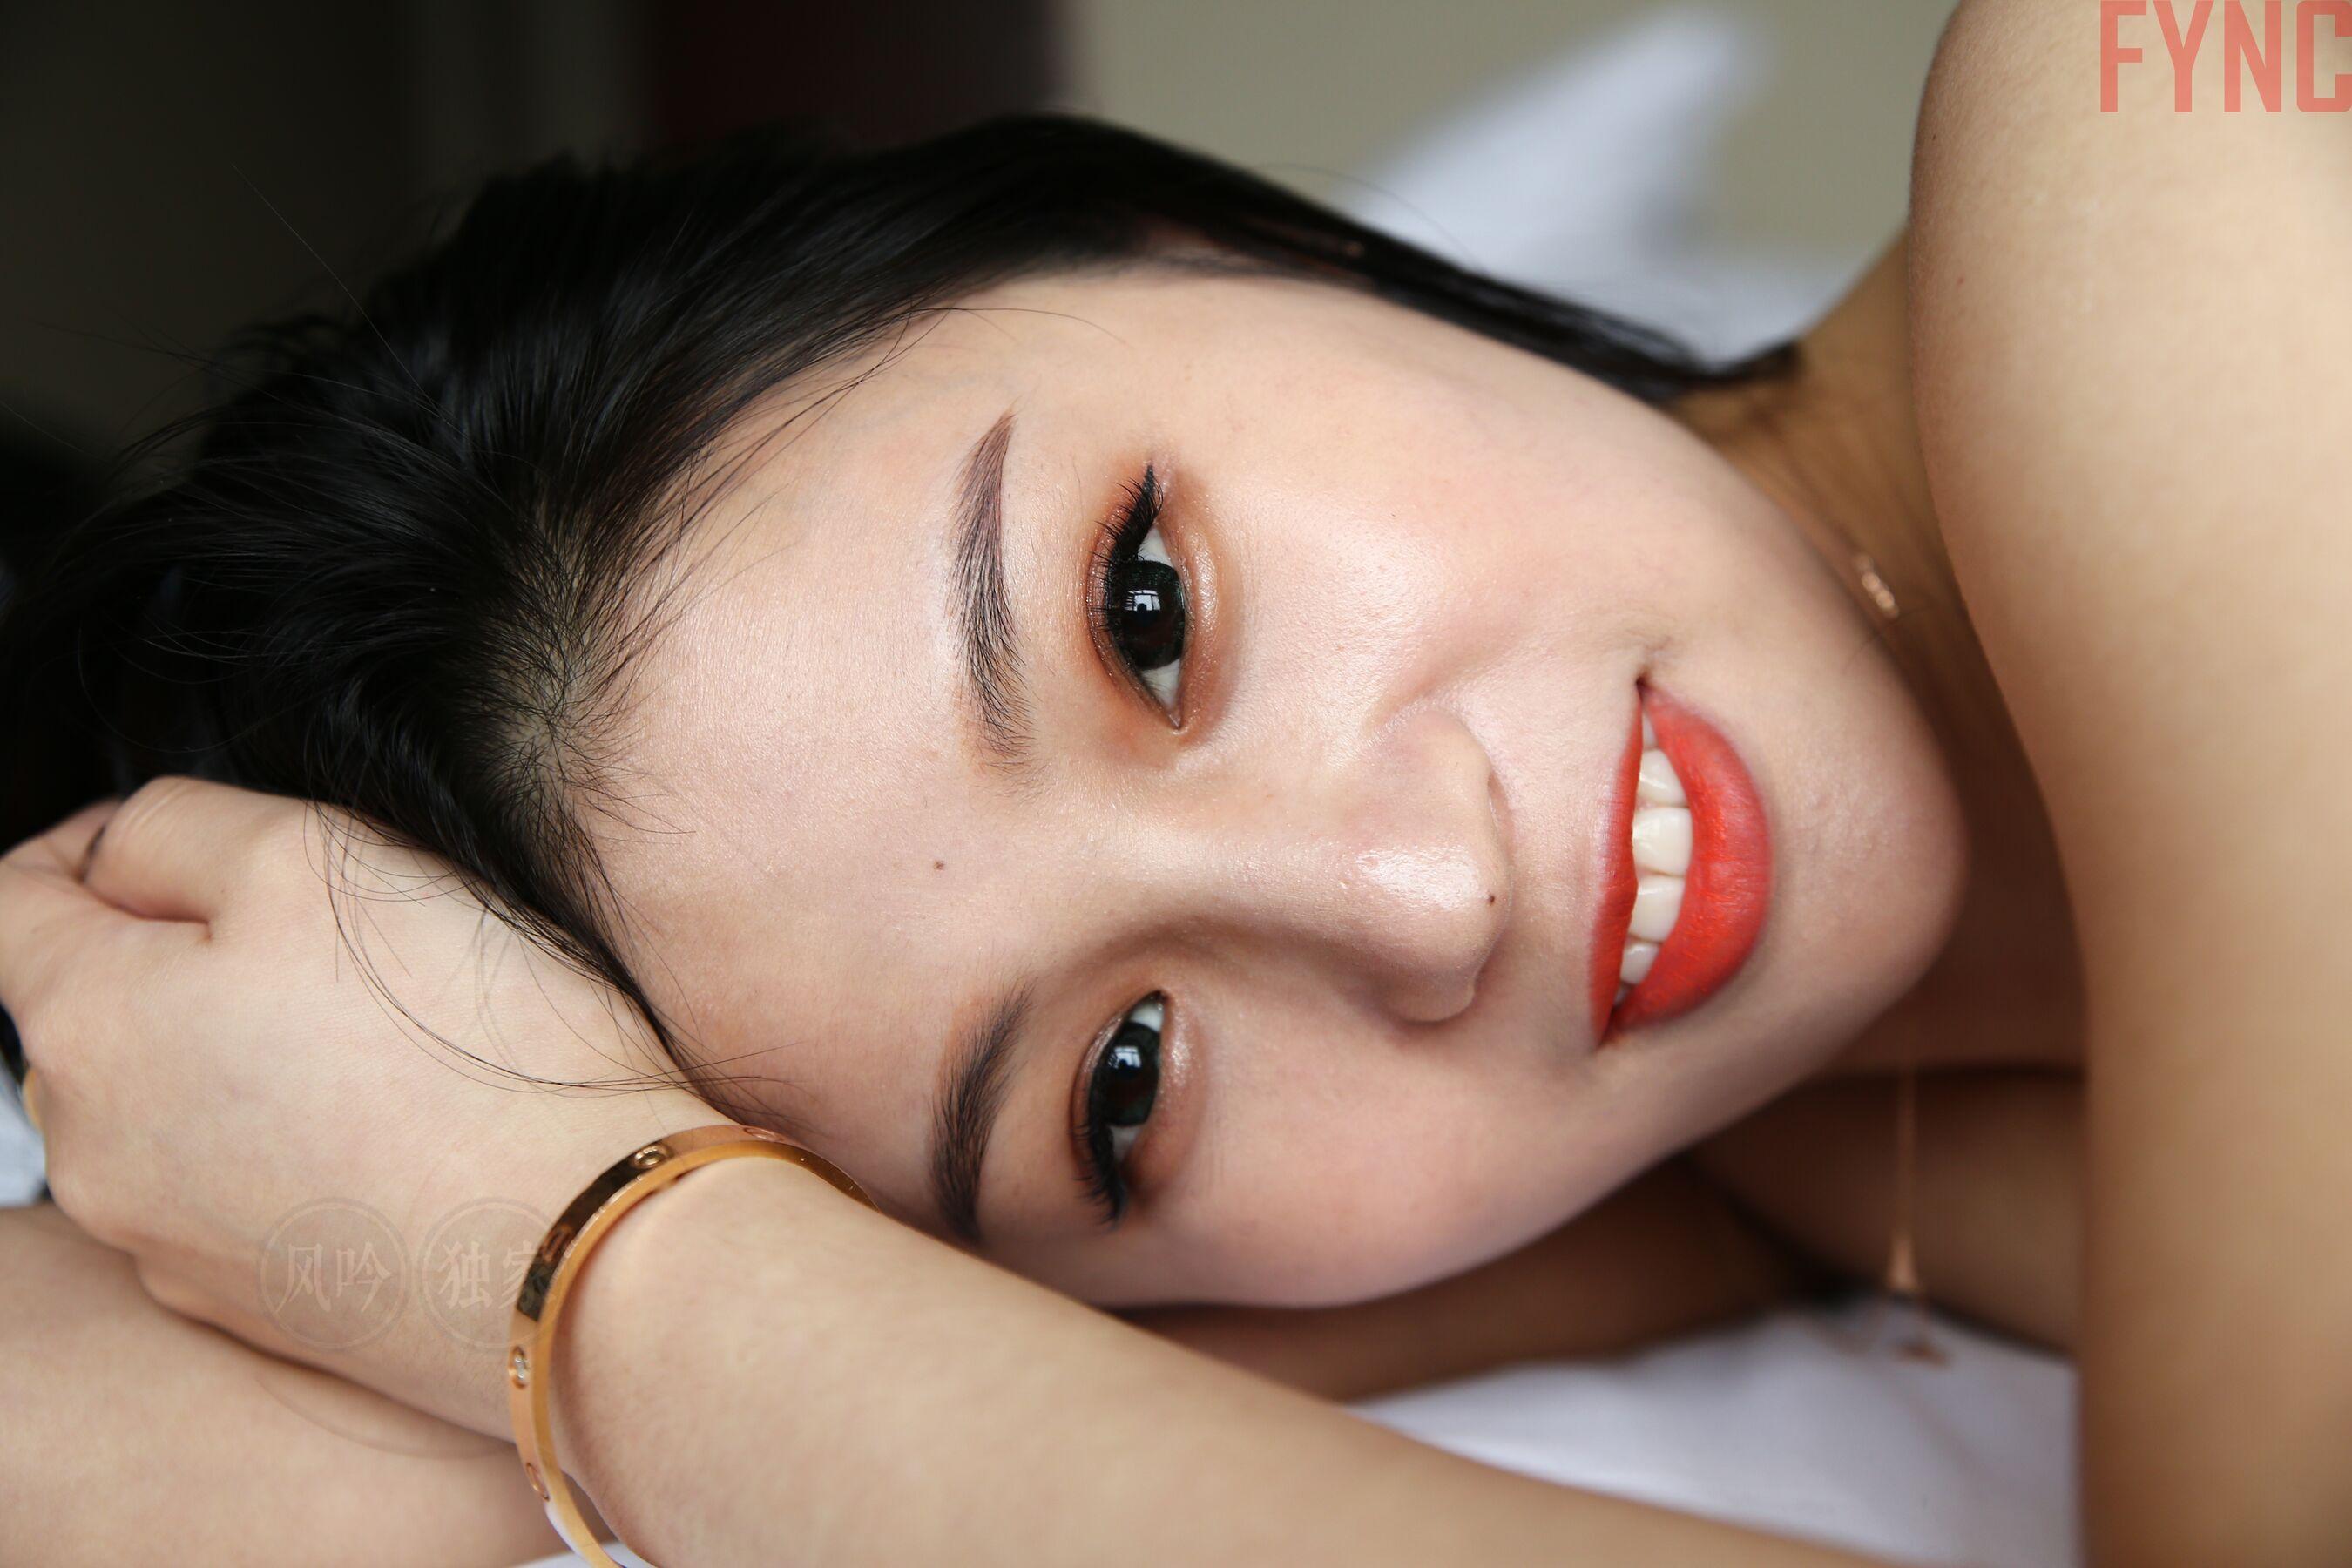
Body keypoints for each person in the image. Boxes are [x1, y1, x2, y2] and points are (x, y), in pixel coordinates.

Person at [3, 2, 2346, 1559]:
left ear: (1215, 246)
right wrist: (470, 1303)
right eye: (1122, 1085)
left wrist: (601, 1269)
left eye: (1147, 614)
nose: (1424, 899)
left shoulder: (2163, 135)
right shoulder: (1809, 1148)